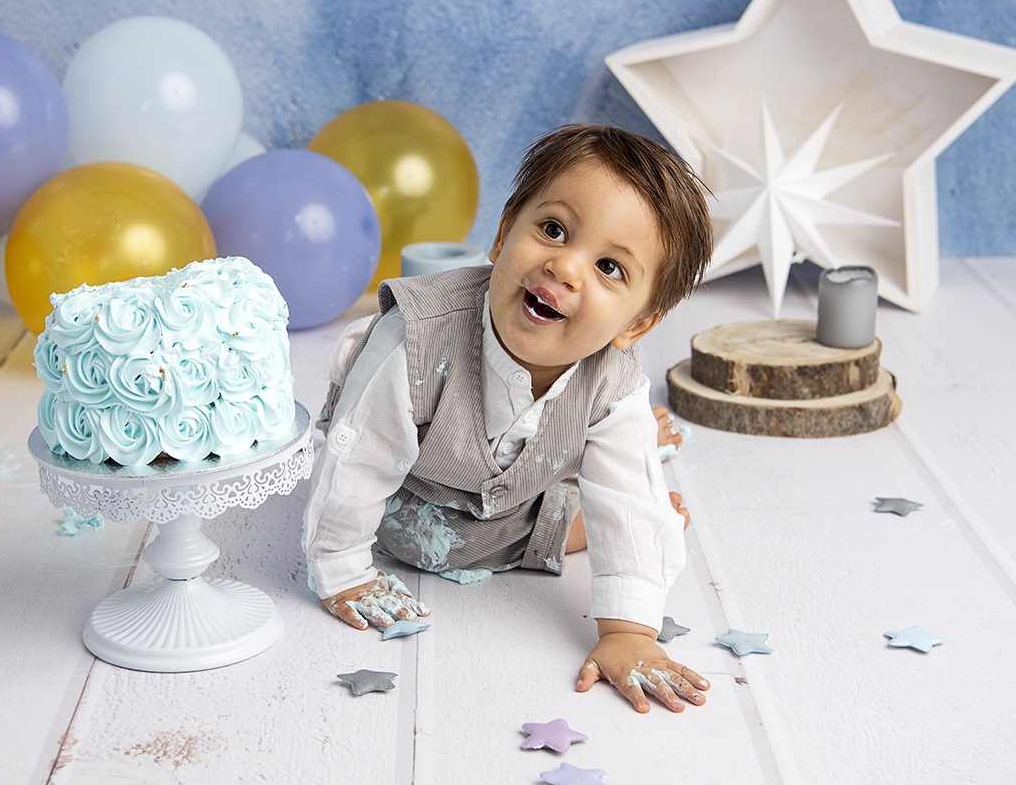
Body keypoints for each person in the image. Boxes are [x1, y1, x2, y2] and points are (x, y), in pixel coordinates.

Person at [302, 124, 713, 714]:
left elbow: (625, 503)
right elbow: (359, 456)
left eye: (609, 268)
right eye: (552, 230)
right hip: (422, 488)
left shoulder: (613, 376)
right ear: (502, 233)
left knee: (629, 493)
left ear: (636, 325)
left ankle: (607, 475)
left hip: (525, 475)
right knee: (429, 542)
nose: (566, 268)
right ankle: (570, 524)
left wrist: (629, 630)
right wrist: (341, 567)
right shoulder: (416, 338)